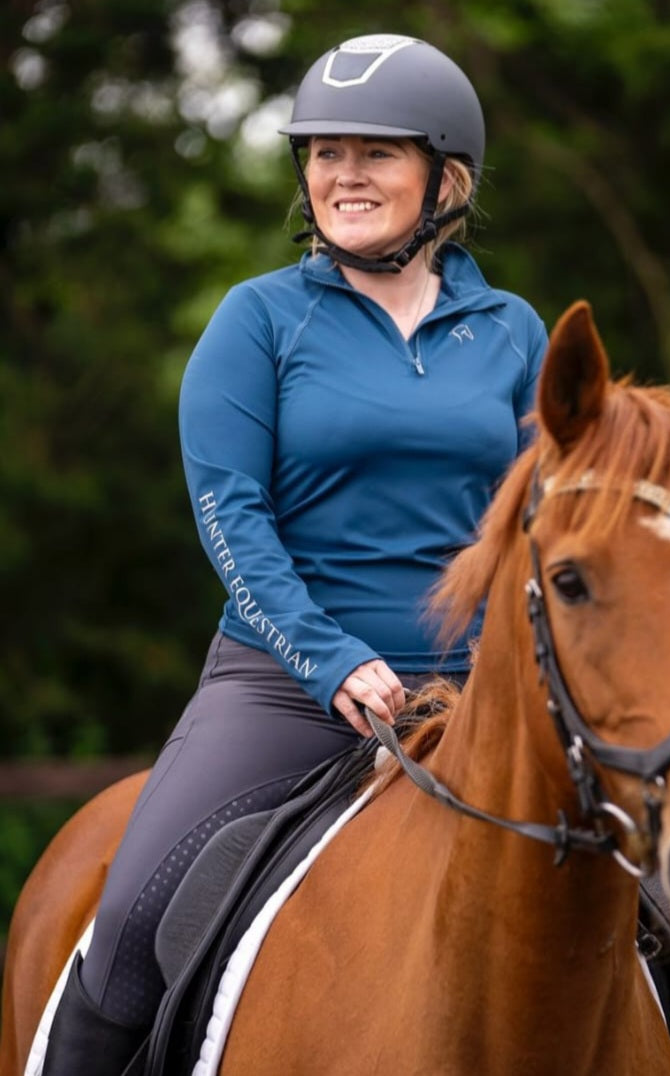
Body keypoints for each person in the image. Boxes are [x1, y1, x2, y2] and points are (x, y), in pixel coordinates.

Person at [40, 33, 548, 1075]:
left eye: (376, 152)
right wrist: (332, 661)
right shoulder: (258, 320)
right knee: (131, 924)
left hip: (479, 689)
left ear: (446, 178)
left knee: (667, 921)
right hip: (283, 685)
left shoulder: (512, 331)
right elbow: (231, 515)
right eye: (324, 153)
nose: (344, 175)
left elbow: (541, 525)